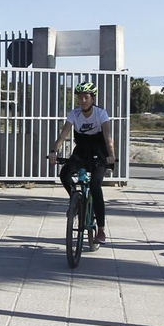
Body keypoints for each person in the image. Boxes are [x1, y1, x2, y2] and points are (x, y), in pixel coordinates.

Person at [46, 81, 114, 243]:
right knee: (64, 174)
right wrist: (54, 151)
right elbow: (63, 135)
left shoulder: (101, 113)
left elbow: (108, 137)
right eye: (80, 98)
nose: (83, 101)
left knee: (95, 185)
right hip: (81, 151)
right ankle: (77, 201)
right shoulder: (74, 114)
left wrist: (111, 155)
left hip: (99, 152)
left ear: (92, 98)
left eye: (86, 97)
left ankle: (101, 230)